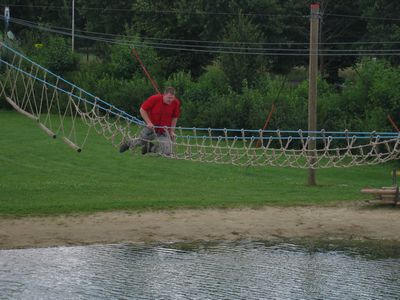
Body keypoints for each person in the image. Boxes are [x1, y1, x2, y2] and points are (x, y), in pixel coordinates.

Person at [120, 86, 181, 155]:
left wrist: (172, 131)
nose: (170, 100)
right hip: (150, 128)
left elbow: (175, 117)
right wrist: (149, 122)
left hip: (164, 131)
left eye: (172, 98)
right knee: (141, 141)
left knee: (167, 152)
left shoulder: (176, 103)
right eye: (168, 98)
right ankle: (128, 143)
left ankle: (150, 148)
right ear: (164, 95)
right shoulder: (155, 98)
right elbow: (142, 109)